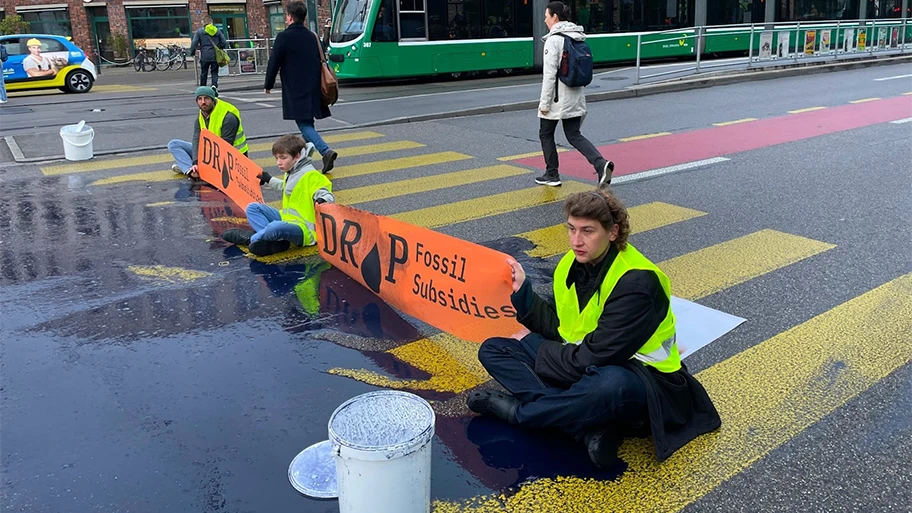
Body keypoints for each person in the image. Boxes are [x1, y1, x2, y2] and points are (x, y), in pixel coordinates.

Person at [467, 188, 721, 468]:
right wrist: (523, 293)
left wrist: (534, 346)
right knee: (494, 349)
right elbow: (563, 330)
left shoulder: (637, 283)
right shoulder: (570, 264)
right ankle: (582, 428)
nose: (576, 241)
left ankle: (521, 414)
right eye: (571, 229)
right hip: (581, 365)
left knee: (609, 384)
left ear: (613, 232)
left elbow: (593, 358)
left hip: (645, 381)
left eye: (588, 231)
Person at [536, 2, 613, 188]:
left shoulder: (554, 40)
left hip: (556, 99)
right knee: (574, 135)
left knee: (545, 134)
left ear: (555, 17)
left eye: (547, 16)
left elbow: (549, 75)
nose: (545, 19)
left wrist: (544, 103)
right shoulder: (578, 37)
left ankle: (552, 174)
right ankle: (600, 164)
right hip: (575, 96)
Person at [221, 134, 335, 256]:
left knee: (275, 227)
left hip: (305, 230)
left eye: (283, 158)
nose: (278, 163)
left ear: (297, 156)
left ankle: (252, 239)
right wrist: (269, 179)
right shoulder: (291, 171)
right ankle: (272, 241)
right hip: (287, 218)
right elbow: (287, 187)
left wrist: (322, 199)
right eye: (276, 158)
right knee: (252, 208)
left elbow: (327, 194)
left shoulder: (313, 176)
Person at [264, 0, 339, 173]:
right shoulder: (311, 36)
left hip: (295, 87)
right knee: (308, 123)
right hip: (314, 86)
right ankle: (304, 159)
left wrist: (268, 84)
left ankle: (325, 151)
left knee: (303, 123)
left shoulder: (284, 37)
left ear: (290, 17)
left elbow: (274, 62)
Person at [167, 86, 248, 180]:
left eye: (206, 98)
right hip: (210, 152)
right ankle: (191, 170)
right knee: (174, 144)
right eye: (199, 99)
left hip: (232, 157)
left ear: (213, 100)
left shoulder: (228, 117)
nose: (203, 102)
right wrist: (196, 162)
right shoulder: (202, 113)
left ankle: (194, 169)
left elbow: (226, 147)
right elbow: (197, 138)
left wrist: (206, 162)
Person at [189, 16, 227, 90]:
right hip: (215, 55)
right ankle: (214, 85)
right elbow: (224, 42)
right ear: (211, 22)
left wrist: (192, 52)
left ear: (203, 23)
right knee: (214, 71)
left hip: (205, 55)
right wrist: (220, 48)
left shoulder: (199, 32)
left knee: (204, 72)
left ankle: (203, 88)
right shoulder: (217, 30)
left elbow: (194, 43)